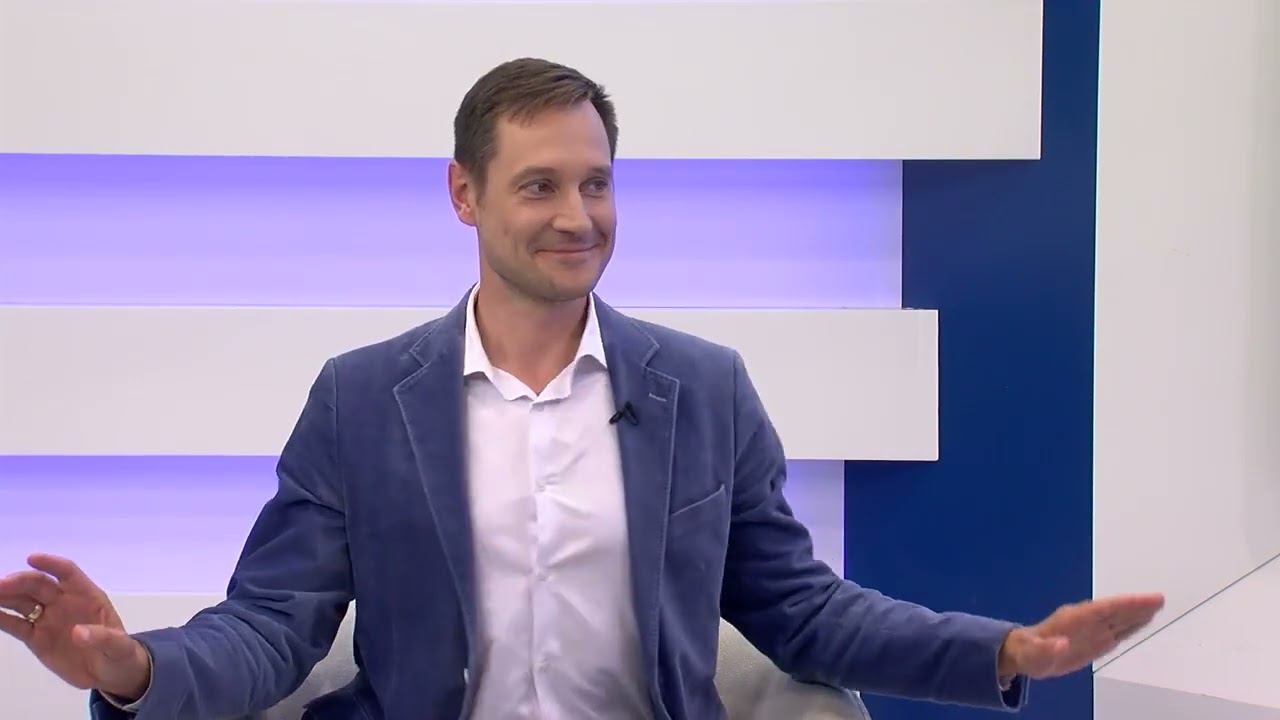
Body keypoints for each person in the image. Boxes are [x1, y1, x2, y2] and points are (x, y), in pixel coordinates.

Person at [0, 58, 1164, 719]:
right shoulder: (361, 401)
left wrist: (1006, 651)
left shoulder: (702, 389)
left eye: (597, 183)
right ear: (464, 195)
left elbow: (801, 611)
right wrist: (131, 668)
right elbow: (272, 625)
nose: (577, 217)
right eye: (540, 186)